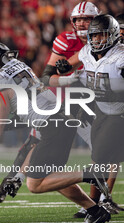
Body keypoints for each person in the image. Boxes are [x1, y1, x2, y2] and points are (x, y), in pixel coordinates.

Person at [0, 42, 111, 223]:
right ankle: (95, 211)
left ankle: (90, 174)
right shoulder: (19, 66)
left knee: (35, 184)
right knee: (52, 175)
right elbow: (27, 116)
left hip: (52, 125)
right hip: (60, 119)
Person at [0, 1, 99, 205]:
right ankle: (94, 207)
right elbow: (46, 80)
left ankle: (96, 187)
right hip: (64, 111)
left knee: (39, 176)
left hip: (75, 110)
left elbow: (4, 118)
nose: (81, 24)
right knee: (43, 162)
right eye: (78, 19)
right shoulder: (21, 65)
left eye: (87, 19)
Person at [55, 13, 124, 212]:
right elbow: (68, 65)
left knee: (101, 157)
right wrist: (63, 67)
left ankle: (95, 206)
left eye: (101, 36)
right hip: (100, 110)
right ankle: (96, 203)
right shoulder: (87, 51)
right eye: (93, 36)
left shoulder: (120, 56)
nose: (96, 40)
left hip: (118, 113)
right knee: (97, 157)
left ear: (111, 35)